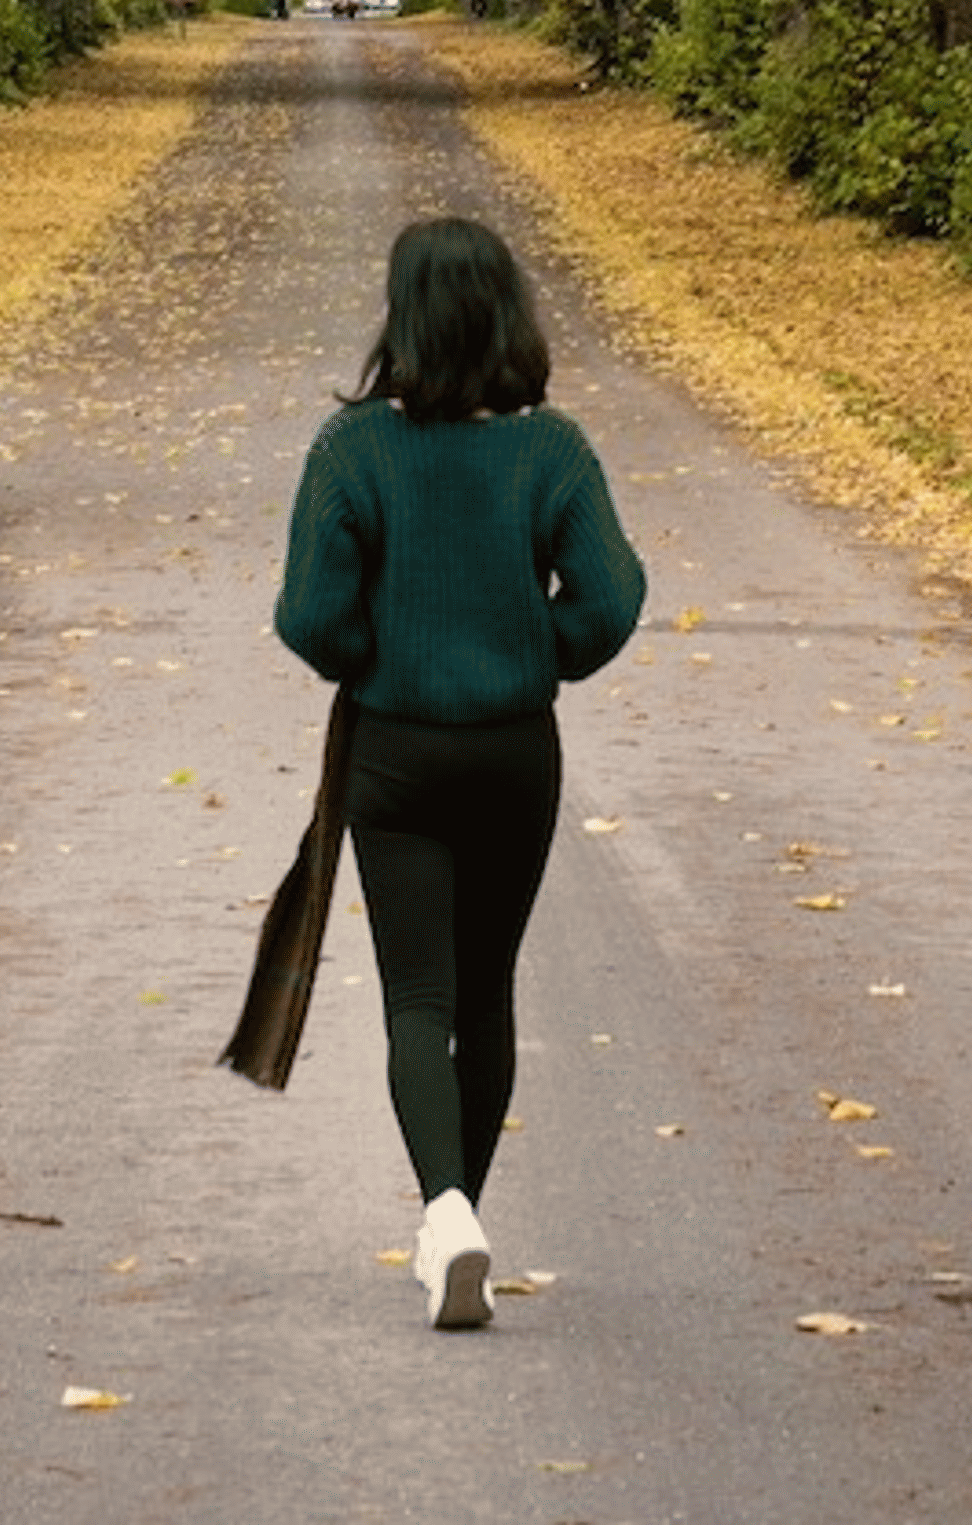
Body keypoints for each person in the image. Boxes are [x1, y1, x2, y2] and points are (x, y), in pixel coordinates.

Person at [272, 215, 647, 1327]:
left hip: (395, 755)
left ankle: (446, 1214)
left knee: (415, 998)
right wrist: (541, 654)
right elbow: (613, 600)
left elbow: (307, 616)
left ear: (403, 320)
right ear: (507, 315)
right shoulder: (553, 453)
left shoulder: (354, 455)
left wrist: (375, 659)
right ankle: (458, 1224)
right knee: (484, 994)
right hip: (514, 756)